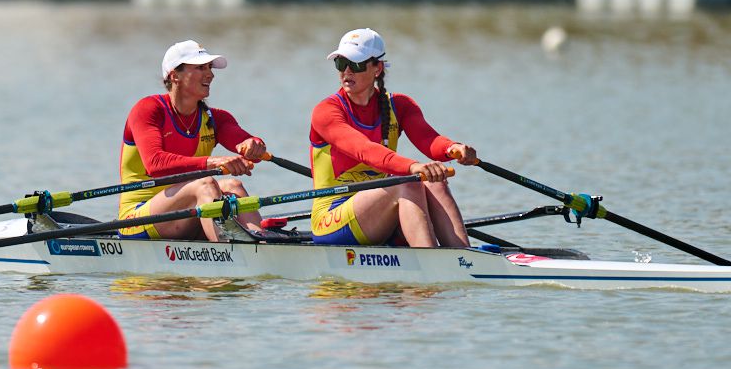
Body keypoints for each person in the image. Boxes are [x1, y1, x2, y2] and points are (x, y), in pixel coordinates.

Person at [309, 27, 478, 248]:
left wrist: (453, 148)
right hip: (332, 218)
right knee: (408, 183)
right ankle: (432, 266)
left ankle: (463, 257)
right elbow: (364, 150)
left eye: (356, 65)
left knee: (434, 182)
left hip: (380, 211)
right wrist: (413, 167)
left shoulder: (399, 105)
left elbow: (429, 139)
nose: (346, 71)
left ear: (377, 68)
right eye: (341, 63)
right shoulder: (326, 111)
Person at [118, 40, 268, 243]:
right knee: (205, 185)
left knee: (234, 185)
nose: (210, 74)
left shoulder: (216, 118)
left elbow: (245, 141)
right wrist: (213, 163)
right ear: (174, 75)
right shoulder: (148, 110)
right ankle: (229, 256)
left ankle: (262, 244)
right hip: (136, 218)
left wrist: (253, 144)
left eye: (209, 67)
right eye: (200, 68)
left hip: (186, 214)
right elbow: (155, 164)